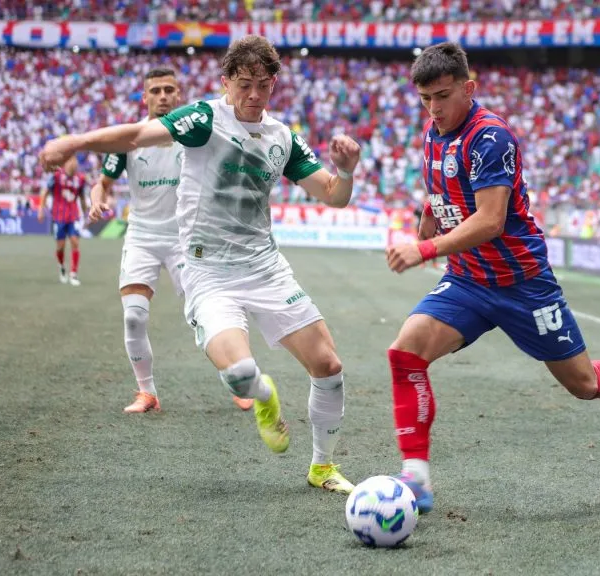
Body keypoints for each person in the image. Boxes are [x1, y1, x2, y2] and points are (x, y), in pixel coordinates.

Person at [40, 35, 360, 494]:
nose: (253, 95)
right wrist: (75, 142)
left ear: (274, 85)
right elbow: (133, 136)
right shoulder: (205, 118)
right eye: (244, 84)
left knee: (328, 365)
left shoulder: (282, 137)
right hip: (208, 272)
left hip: (265, 267)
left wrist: (345, 170)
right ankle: (264, 398)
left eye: (263, 86)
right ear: (226, 81)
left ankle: (323, 467)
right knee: (242, 375)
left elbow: (333, 196)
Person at [384, 42, 600, 514]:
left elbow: (490, 220)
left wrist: (424, 247)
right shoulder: (433, 132)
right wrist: (428, 213)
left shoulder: (492, 137)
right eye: (426, 99)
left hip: (524, 285)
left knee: (582, 385)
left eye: (442, 96)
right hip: (467, 281)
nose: (434, 108)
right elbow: (445, 185)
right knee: (406, 352)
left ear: (470, 86)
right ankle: (417, 478)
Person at [89, 67, 255, 414]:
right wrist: (97, 199)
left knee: (208, 314)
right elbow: (102, 181)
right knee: (133, 317)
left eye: (169, 90)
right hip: (142, 236)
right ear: (144, 97)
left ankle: (239, 382)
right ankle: (146, 392)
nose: (162, 96)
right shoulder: (130, 139)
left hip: (187, 239)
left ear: (179, 95)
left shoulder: (194, 135)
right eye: (155, 91)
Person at [38, 154, 87, 286]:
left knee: (75, 242)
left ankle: (74, 274)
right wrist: (41, 209)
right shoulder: (56, 177)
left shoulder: (81, 179)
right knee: (60, 247)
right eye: (71, 161)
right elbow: (45, 192)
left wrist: (86, 213)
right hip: (59, 216)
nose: (74, 164)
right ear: (65, 163)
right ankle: (61, 267)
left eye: (75, 161)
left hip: (73, 216)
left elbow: (82, 198)